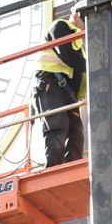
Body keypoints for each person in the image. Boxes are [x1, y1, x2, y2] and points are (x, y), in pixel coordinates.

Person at [33, 14, 85, 167]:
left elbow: (81, 74)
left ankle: (71, 169)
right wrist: (95, 64)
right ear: (76, 16)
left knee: (76, 135)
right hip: (50, 84)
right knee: (57, 127)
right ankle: (53, 169)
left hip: (69, 93)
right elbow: (68, 56)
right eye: (85, 19)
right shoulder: (60, 27)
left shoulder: (80, 43)